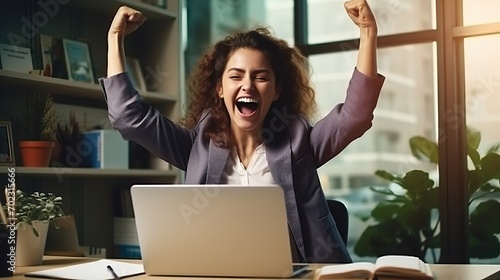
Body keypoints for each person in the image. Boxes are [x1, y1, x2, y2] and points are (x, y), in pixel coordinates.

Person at [100, 0, 384, 263]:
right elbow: (128, 117)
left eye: (261, 77)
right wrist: (115, 39)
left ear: (276, 91)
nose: (248, 85)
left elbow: (355, 116)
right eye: (236, 76)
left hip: (296, 271)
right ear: (220, 89)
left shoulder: (300, 141)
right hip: (218, 270)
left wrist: (368, 33)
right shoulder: (196, 145)